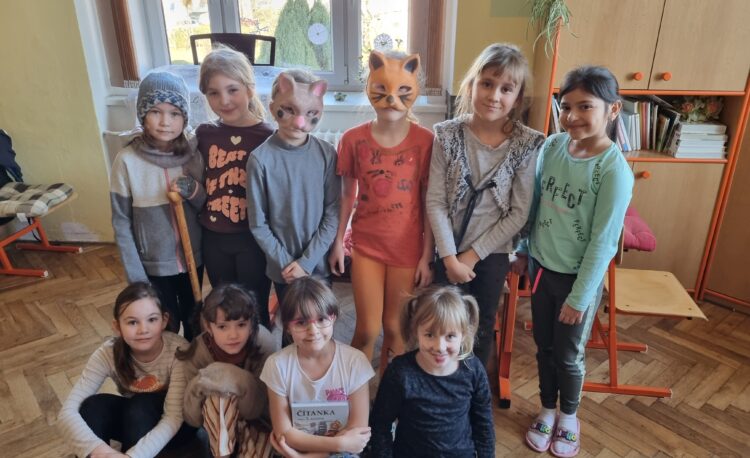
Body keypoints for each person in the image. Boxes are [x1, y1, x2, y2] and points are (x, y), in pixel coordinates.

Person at [513, 66, 633, 457]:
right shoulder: (552, 147)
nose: (572, 116)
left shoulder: (613, 170)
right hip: (541, 270)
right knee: (543, 346)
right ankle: (547, 409)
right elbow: (534, 205)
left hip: (576, 281)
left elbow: (604, 242)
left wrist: (579, 297)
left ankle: (568, 417)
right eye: (566, 107)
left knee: (568, 355)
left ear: (613, 110)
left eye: (585, 106)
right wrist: (524, 249)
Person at [426, 43, 544, 366]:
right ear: (471, 86)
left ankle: (471, 386)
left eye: (506, 89)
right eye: (487, 84)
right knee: (442, 323)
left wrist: (472, 255)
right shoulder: (447, 135)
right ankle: (440, 381)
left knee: (479, 325)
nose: (494, 96)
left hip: (491, 254)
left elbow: (519, 213)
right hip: (447, 250)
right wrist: (450, 258)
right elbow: (435, 201)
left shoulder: (525, 144)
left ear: (517, 98)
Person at [329, 50, 434, 372]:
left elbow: (429, 201)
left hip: (407, 250)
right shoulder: (353, 140)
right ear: (369, 86)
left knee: (395, 330)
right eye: (382, 89)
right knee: (367, 329)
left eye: (401, 91)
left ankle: (391, 395)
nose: (391, 99)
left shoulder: (426, 141)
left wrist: (426, 256)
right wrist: (338, 241)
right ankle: (352, 393)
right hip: (367, 247)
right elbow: (346, 195)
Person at [110, 71, 205, 341]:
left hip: (192, 258)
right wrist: (136, 275)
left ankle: (195, 363)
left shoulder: (193, 155)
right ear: (142, 115)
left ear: (185, 118)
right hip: (152, 265)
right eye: (155, 112)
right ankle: (168, 364)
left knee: (195, 320)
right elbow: (121, 223)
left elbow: (205, 205)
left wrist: (192, 190)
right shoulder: (126, 160)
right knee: (165, 324)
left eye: (175, 113)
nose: (165, 122)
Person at [58, 282, 190, 458]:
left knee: (140, 406)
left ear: (164, 321)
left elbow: (173, 418)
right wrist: (101, 452)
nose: (143, 330)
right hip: (137, 419)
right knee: (91, 407)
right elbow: (67, 413)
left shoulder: (179, 351)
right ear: (117, 326)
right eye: (132, 322)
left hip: (177, 428)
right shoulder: (108, 353)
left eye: (152, 320)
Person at [197, 46, 275, 327]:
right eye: (213, 93)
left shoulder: (268, 136)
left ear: (250, 89)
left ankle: (260, 355)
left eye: (232, 90)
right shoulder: (204, 134)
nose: (224, 101)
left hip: (253, 240)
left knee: (255, 307)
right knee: (224, 308)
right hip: (214, 238)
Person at [246, 70, 340, 303]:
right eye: (289, 110)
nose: (299, 122)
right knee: (293, 321)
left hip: (318, 264)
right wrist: (288, 264)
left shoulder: (327, 154)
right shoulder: (260, 160)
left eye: (310, 113)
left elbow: (332, 212)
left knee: (321, 320)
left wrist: (307, 262)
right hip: (284, 271)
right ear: (273, 108)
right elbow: (258, 223)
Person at [369, 285, 494, 457]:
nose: (439, 347)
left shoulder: (473, 369)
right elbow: (380, 425)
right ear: (416, 332)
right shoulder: (399, 373)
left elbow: (484, 424)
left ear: (464, 334)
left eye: (450, 336)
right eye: (429, 335)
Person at [260, 277, 374, 456]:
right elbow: (284, 433)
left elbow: (357, 433)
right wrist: (339, 443)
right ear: (287, 327)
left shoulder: (355, 362)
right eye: (301, 322)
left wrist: (305, 457)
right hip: (303, 450)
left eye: (321, 319)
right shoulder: (277, 366)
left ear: (333, 318)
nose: (313, 331)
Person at [177, 284, 278, 457]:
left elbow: (259, 409)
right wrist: (198, 386)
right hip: (218, 426)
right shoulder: (197, 351)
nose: (233, 335)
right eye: (222, 327)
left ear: (252, 324)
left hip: (258, 421)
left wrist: (229, 375)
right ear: (208, 326)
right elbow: (192, 418)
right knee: (218, 395)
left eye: (241, 325)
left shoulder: (264, 342)